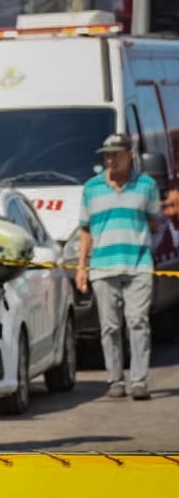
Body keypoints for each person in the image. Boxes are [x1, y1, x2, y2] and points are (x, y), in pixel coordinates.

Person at [76, 132, 161, 400]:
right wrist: (81, 266)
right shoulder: (91, 188)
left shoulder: (146, 185)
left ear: (129, 155)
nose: (111, 160)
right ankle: (115, 379)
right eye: (107, 156)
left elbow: (154, 222)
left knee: (138, 321)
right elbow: (85, 230)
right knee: (110, 326)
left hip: (138, 265)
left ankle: (139, 381)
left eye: (116, 155)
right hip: (103, 267)